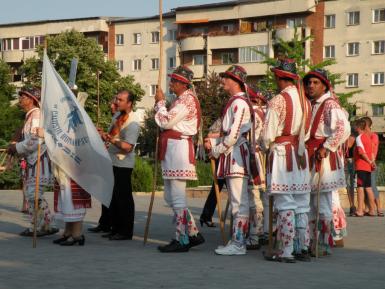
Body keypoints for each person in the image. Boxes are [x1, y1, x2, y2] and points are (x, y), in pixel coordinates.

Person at [262, 59, 312, 263]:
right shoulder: (305, 100)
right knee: (301, 204)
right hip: (300, 155)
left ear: (280, 78)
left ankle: (286, 249)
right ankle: (303, 246)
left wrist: (263, 145)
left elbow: (267, 135)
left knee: (285, 203)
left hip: (283, 154)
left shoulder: (277, 101)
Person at [155, 66, 205, 253]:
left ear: (183, 84)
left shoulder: (186, 100)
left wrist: (160, 103)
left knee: (176, 196)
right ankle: (192, 232)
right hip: (174, 148)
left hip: (178, 149)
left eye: (174, 81)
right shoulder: (181, 99)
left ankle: (181, 238)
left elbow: (166, 121)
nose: (171, 84)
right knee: (170, 196)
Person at [205, 65, 252, 256]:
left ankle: (239, 243)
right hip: (232, 155)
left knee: (239, 201)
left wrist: (216, 150)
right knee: (236, 201)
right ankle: (237, 240)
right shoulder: (234, 102)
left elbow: (233, 135)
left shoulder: (239, 103)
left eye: (226, 77)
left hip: (236, 156)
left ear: (235, 81)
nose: (223, 80)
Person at [304, 69, 350, 257]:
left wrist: (327, 146)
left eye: (315, 82)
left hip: (324, 158)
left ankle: (323, 243)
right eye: (309, 83)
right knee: (311, 203)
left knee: (322, 202)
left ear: (324, 85)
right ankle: (313, 241)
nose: (311, 86)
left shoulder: (329, 104)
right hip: (311, 155)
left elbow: (343, 128)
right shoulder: (312, 104)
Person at [7, 88, 58, 237]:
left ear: (32, 99)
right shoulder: (31, 116)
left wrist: (16, 147)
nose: (20, 99)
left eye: (23, 97)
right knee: (32, 194)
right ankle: (43, 224)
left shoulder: (36, 115)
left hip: (38, 160)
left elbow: (36, 140)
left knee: (32, 193)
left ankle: (46, 224)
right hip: (33, 160)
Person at [99, 90, 140, 240]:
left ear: (129, 103)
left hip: (123, 164)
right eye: (117, 99)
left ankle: (125, 231)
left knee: (124, 198)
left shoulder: (133, 123)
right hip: (112, 160)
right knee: (114, 196)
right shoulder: (117, 116)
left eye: (121, 100)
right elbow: (112, 136)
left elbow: (127, 146)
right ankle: (115, 228)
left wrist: (110, 140)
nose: (117, 102)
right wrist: (104, 135)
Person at [88, 97, 118, 233]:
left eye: (113, 104)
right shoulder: (114, 119)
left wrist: (104, 135)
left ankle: (110, 223)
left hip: (115, 159)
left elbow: (113, 139)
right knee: (105, 193)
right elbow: (108, 138)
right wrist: (101, 134)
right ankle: (104, 222)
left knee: (111, 195)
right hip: (107, 159)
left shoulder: (120, 120)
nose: (111, 106)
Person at [246, 86, 268, 249]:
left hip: (252, 157)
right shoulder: (265, 112)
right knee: (264, 196)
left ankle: (255, 234)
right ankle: (266, 231)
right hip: (265, 157)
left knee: (253, 195)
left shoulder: (251, 112)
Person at [199, 119, 226, 228]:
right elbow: (209, 135)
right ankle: (206, 215)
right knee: (216, 187)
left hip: (231, 156)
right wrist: (223, 135)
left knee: (217, 188)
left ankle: (206, 215)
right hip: (222, 156)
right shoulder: (222, 120)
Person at [353, 118, 376, 217]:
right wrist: (372, 162)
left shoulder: (359, 138)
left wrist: (369, 161)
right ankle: (372, 210)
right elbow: (371, 152)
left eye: (355, 126)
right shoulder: (368, 137)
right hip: (368, 167)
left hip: (361, 166)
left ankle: (360, 210)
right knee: (368, 188)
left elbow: (361, 152)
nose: (354, 128)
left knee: (360, 188)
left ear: (358, 127)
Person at [361, 116, 383, 216]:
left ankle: (379, 208)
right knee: (365, 186)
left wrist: (372, 161)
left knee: (372, 186)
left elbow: (373, 150)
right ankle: (368, 208)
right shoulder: (363, 135)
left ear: (366, 125)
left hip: (371, 163)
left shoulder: (373, 136)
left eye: (362, 124)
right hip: (363, 164)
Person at [344, 132, 356, 216]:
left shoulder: (356, 140)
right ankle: (352, 205)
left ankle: (355, 206)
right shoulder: (343, 141)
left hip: (353, 163)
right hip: (345, 163)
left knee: (353, 184)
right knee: (348, 185)